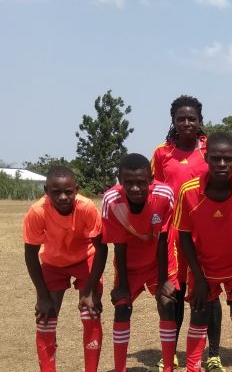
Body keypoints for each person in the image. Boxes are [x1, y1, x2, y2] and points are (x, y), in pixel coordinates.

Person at [174, 132, 232, 372]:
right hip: (203, 267)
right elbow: (183, 235)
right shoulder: (189, 191)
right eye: (216, 159)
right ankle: (193, 368)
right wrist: (198, 278)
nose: (222, 165)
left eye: (228, 159)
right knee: (199, 316)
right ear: (206, 158)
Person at [151, 95, 226, 372]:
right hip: (173, 232)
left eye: (191, 118)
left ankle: (214, 354)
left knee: (209, 291)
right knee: (175, 290)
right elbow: (155, 192)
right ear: (173, 121)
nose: (186, 123)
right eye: (180, 118)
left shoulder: (209, 150)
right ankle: (170, 354)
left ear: (200, 121)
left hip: (205, 232)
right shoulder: (162, 153)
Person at [23, 165, 108, 372]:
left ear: (76, 189)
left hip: (85, 259)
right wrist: (42, 295)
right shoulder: (37, 212)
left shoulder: (87, 208)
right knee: (46, 318)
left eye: (68, 191)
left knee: (91, 313)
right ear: (46, 191)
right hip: (53, 263)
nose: (63, 197)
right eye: (56, 192)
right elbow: (30, 254)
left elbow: (101, 250)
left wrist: (88, 292)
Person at [102, 153, 179, 372]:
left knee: (166, 304)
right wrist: (123, 286)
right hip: (129, 265)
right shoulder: (111, 200)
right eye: (129, 183)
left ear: (151, 179)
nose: (135, 188)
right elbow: (119, 245)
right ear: (119, 179)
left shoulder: (165, 195)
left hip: (159, 262)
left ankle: (168, 368)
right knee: (122, 308)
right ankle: (120, 368)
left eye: (141, 182)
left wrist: (164, 280)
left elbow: (164, 239)